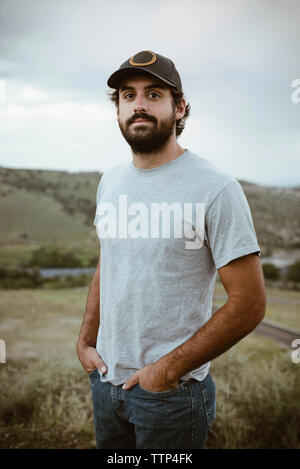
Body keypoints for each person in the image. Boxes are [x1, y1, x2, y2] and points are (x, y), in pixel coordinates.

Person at [76, 50, 266, 449]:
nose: (139, 105)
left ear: (179, 108)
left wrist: (163, 372)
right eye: (128, 96)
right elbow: (107, 263)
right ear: (118, 110)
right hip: (106, 382)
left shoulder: (216, 189)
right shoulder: (109, 182)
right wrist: (85, 341)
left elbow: (249, 303)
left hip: (171, 395)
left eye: (154, 94)